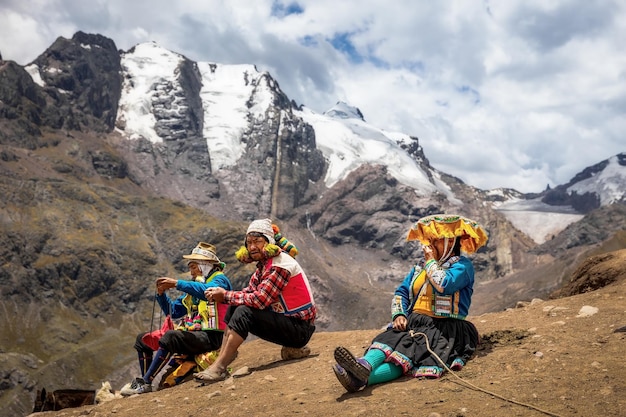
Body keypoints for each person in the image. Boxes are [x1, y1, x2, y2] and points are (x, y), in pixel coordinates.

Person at [331, 214, 488, 392]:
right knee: (390, 339)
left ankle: (362, 380)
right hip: (416, 321)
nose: (428, 245)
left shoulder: (462, 266)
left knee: (409, 354)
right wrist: (399, 314)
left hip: (445, 327)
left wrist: (430, 262)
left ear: (449, 242)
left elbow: (445, 285)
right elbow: (402, 292)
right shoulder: (419, 269)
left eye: (433, 240)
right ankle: (364, 365)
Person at [193, 218, 317, 384]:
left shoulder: (280, 265)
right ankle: (220, 362)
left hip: (300, 329)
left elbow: (260, 300)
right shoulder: (264, 266)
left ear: (269, 241)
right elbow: (249, 293)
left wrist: (225, 295)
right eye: (249, 242)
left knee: (245, 311)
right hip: (289, 324)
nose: (252, 247)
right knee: (235, 306)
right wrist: (227, 296)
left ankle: (219, 367)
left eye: (257, 241)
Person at [120, 242, 233, 395]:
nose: (191, 272)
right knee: (142, 339)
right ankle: (144, 379)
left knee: (171, 337)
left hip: (214, 336)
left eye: (193, 267)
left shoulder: (219, 280)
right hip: (197, 334)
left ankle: (146, 383)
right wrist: (161, 295)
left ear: (205, 265)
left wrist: (177, 283)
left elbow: (208, 291)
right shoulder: (194, 286)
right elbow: (173, 311)